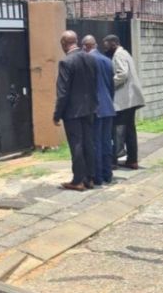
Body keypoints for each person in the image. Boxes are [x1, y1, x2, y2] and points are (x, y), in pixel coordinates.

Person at [53, 30, 97, 191]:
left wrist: (57, 114)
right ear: (76, 41)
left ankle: (78, 180)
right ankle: (89, 178)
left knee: (77, 145)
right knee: (88, 143)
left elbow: (62, 92)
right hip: (89, 109)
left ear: (64, 44)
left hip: (72, 112)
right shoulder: (90, 58)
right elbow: (94, 85)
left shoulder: (66, 62)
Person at [103, 35, 145, 169]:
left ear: (114, 43)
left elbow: (122, 74)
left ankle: (114, 160)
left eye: (107, 45)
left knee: (118, 130)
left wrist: (109, 84)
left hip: (125, 100)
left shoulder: (119, 55)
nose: (105, 49)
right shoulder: (125, 53)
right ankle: (132, 160)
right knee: (130, 130)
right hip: (131, 99)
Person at [81, 35, 115, 185]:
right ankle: (108, 174)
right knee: (107, 142)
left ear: (85, 46)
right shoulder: (107, 61)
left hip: (94, 107)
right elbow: (111, 86)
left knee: (95, 143)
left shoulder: (87, 60)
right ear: (95, 45)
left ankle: (98, 176)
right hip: (108, 106)